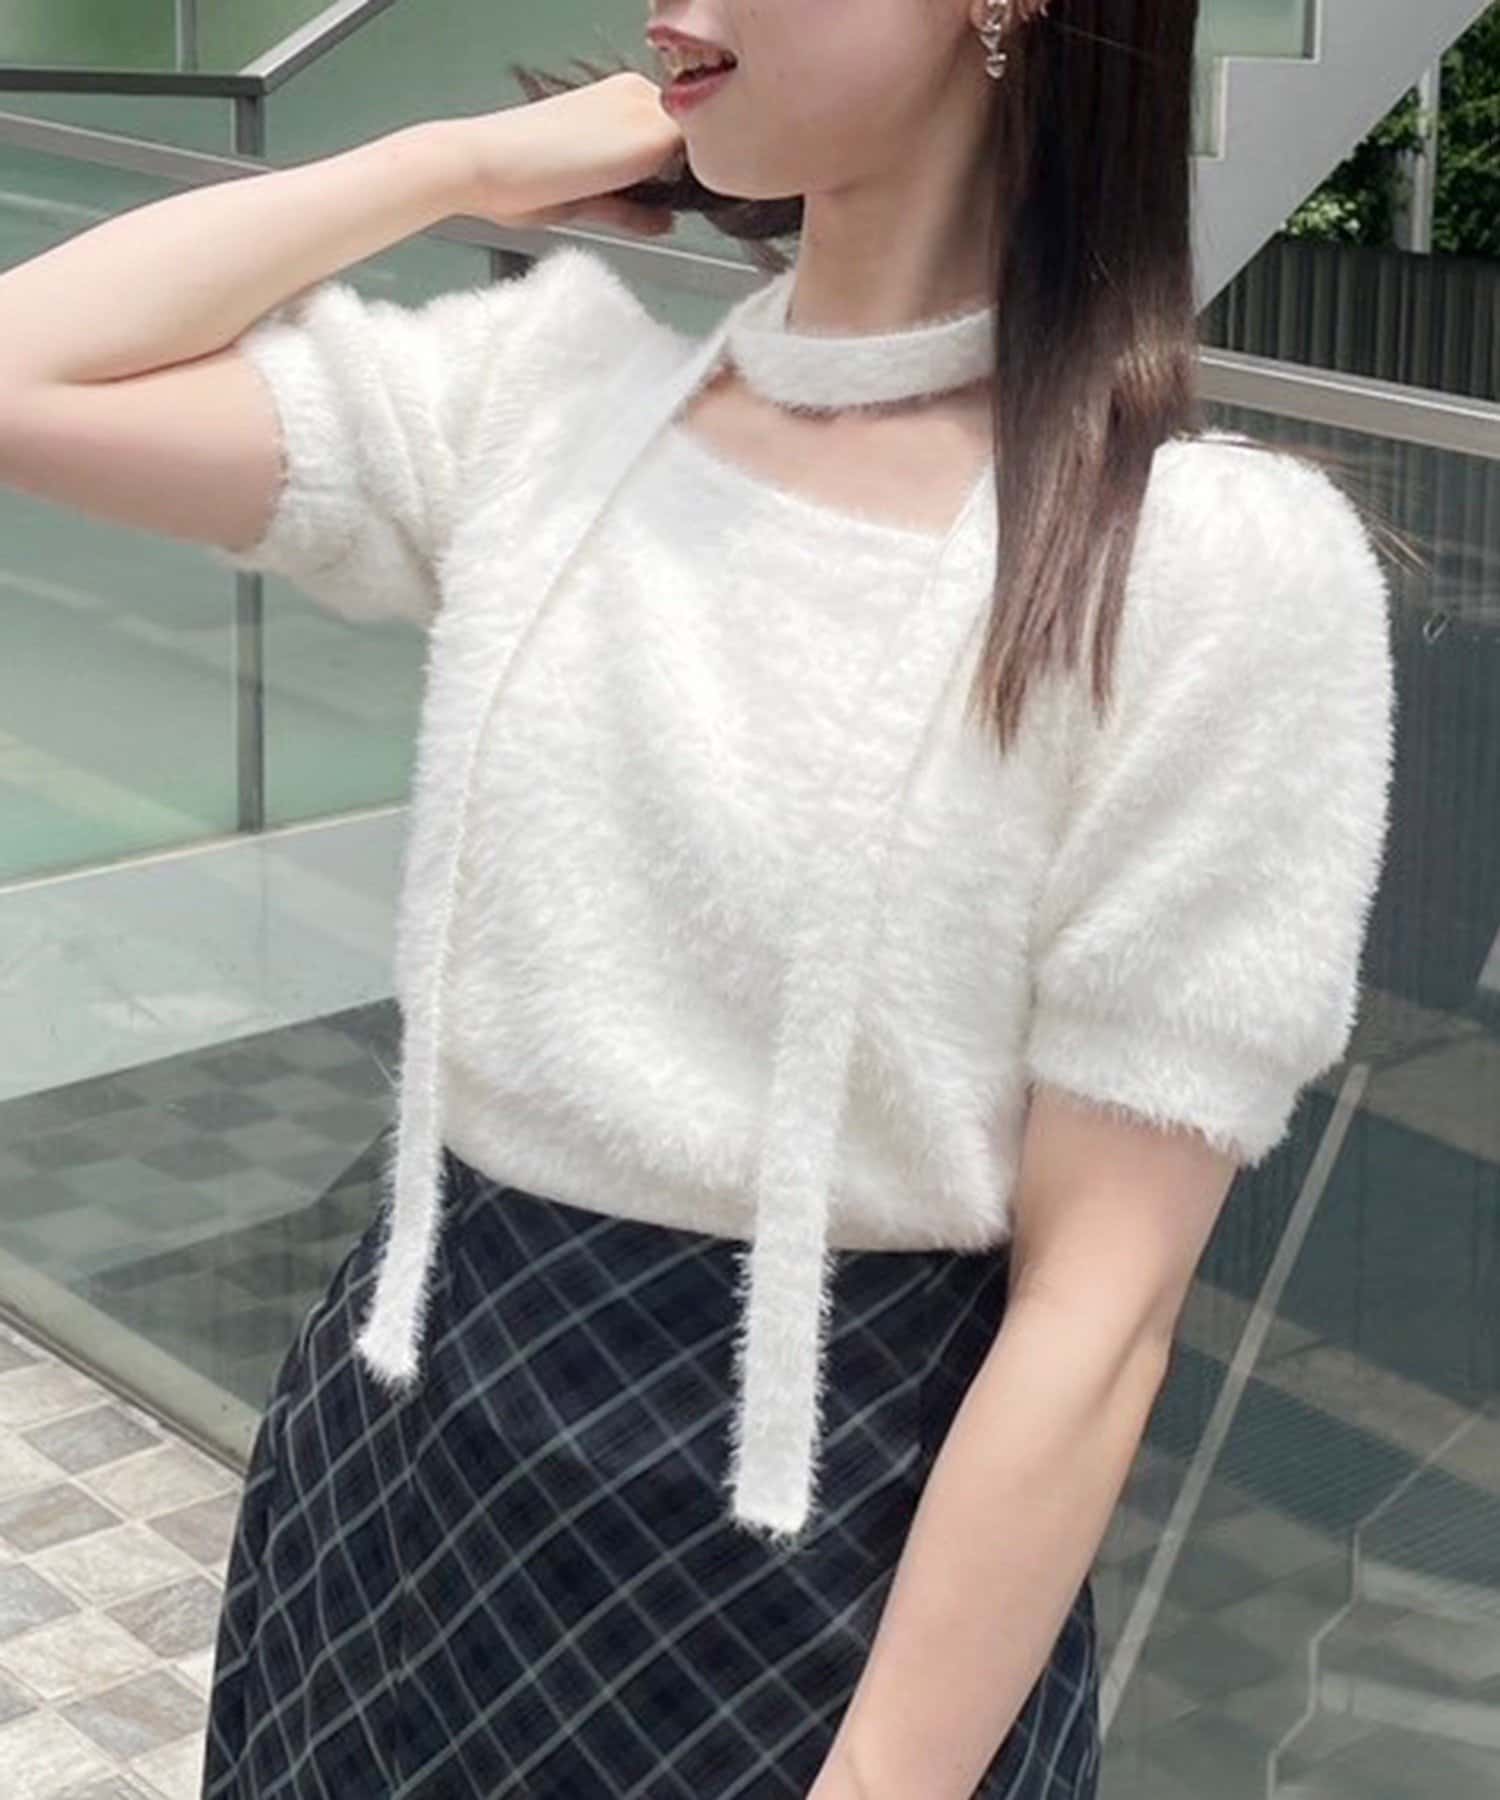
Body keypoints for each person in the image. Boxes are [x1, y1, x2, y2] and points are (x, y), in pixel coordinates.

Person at [0, 2, 1396, 1795]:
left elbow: (1101, 1311)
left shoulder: (1209, 574)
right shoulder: (547, 403)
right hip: (393, 1498)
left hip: (829, 1591)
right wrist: (449, 163)